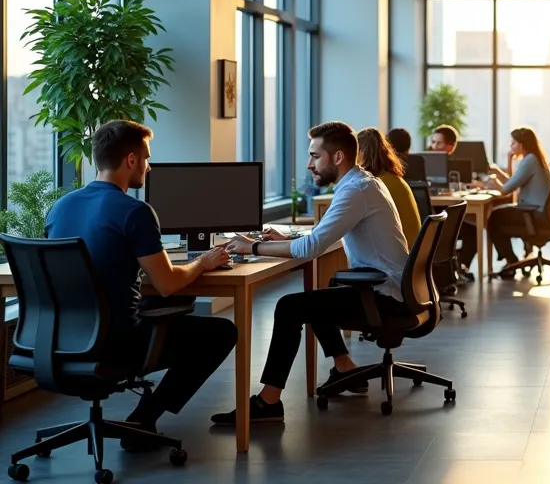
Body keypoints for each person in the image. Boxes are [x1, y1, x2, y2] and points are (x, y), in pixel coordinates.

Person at [45, 120, 237, 449]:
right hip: (116, 343)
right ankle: (145, 417)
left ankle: (142, 417)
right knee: (221, 332)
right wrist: (202, 263)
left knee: (158, 307)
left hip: (58, 338)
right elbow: (167, 284)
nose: (148, 167)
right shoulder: (135, 212)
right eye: (146, 158)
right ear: (131, 160)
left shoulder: (60, 207)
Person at [213, 121, 412, 425]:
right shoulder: (363, 182)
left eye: (315, 156)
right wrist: (286, 239)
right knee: (323, 291)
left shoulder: (355, 190)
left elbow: (312, 248)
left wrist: (252, 247)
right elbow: (321, 236)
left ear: (338, 157)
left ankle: (268, 402)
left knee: (290, 307)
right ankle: (344, 366)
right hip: (395, 288)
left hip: (386, 297)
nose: (309, 164)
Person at [476, 127, 550, 271]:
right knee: (497, 215)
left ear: (521, 144)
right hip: (541, 212)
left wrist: (491, 180)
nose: (510, 146)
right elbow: (512, 182)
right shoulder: (534, 158)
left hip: (533, 213)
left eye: (513, 143)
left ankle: (511, 261)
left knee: (493, 219)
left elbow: (505, 190)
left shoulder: (529, 161)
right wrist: (508, 160)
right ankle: (509, 259)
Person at [429, 123, 478, 282]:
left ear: (450, 146)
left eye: (439, 143)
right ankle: (453, 269)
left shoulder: (457, 168)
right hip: (429, 219)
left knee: (473, 230)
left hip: (446, 218)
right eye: (433, 142)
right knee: (470, 231)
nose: (434, 146)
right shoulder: (423, 163)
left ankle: (460, 268)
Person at [359, 128, 422, 248]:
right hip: (414, 253)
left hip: (403, 255)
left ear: (360, 154)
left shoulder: (375, 185)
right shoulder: (394, 179)